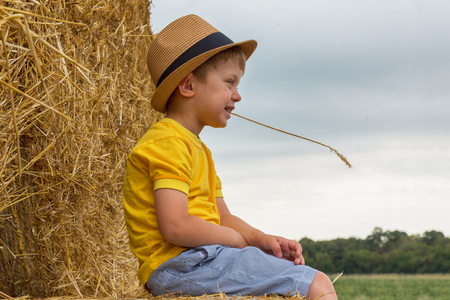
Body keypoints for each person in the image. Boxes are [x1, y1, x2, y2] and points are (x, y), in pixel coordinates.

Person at [122, 14, 338, 299]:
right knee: (316, 285)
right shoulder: (168, 143)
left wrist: (261, 240)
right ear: (188, 86)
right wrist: (235, 241)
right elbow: (175, 225)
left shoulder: (197, 148)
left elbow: (222, 216)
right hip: (182, 266)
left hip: (201, 260)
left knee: (296, 277)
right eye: (229, 82)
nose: (237, 96)